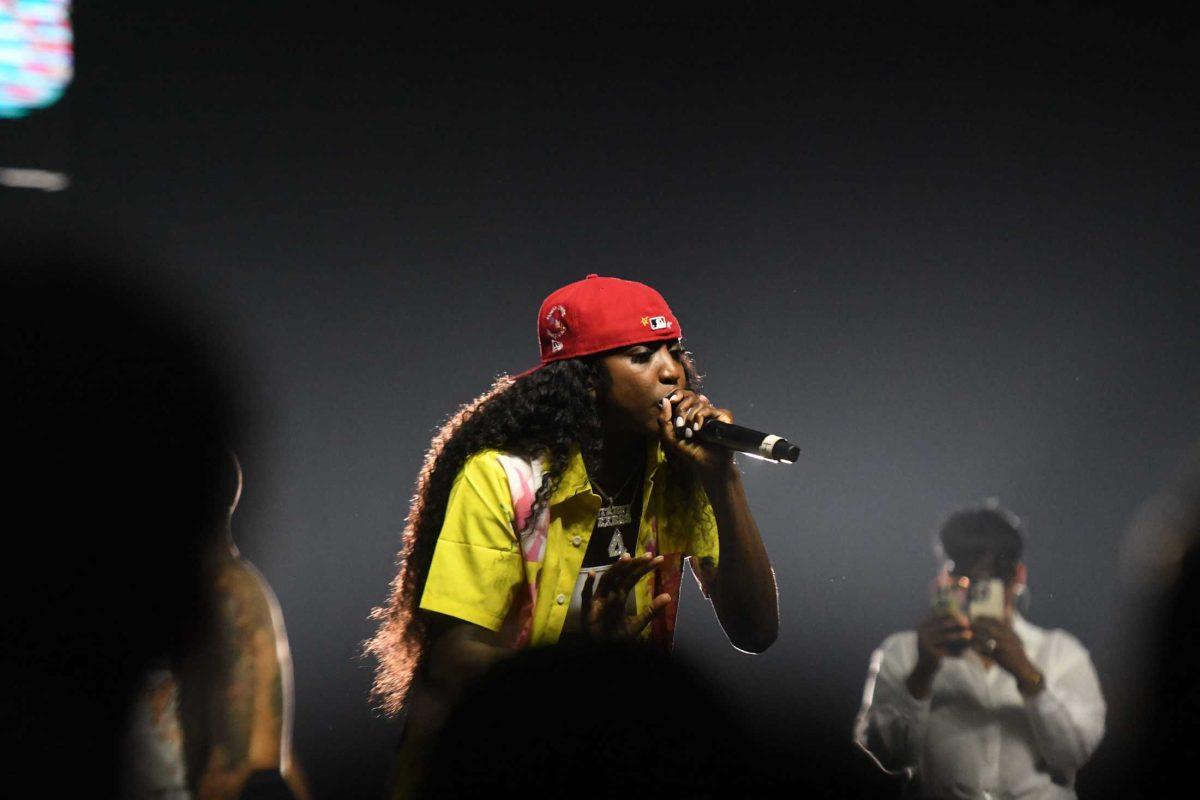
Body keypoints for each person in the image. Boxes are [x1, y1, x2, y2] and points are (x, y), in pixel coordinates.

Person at [366, 274, 779, 796]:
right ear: (586, 380)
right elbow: (454, 666)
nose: (672, 371)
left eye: (673, 350)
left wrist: (723, 478)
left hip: (604, 758)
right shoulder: (504, 478)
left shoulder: (677, 469)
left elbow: (755, 630)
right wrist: (585, 658)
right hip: (493, 766)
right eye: (641, 355)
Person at [855, 505, 1106, 799]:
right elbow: (888, 755)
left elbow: (1075, 754)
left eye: (992, 576)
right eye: (965, 574)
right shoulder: (904, 650)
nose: (977, 587)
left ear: (1018, 577)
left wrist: (1027, 673)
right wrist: (923, 671)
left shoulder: (1062, 653)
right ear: (946, 579)